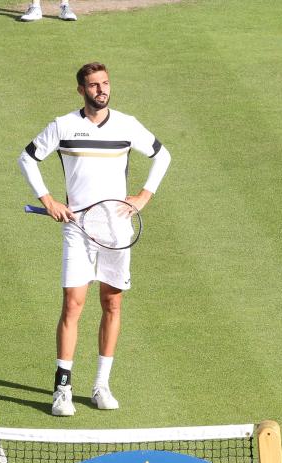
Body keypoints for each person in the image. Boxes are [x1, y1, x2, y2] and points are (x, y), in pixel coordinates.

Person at [18, 62, 171, 416]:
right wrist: (49, 200)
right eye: (93, 85)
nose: (101, 89)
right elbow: (26, 159)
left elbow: (163, 156)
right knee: (73, 304)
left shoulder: (127, 125)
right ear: (81, 90)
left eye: (105, 83)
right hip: (78, 228)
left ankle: (101, 384)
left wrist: (143, 197)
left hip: (117, 228)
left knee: (112, 304)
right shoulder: (63, 126)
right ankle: (63, 388)